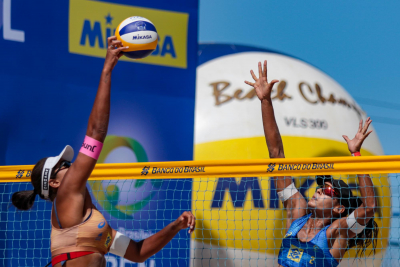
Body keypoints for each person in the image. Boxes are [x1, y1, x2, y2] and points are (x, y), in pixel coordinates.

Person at [11, 36, 196, 267]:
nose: (71, 165)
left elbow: (138, 253)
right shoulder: (67, 192)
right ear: (55, 183)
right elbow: (97, 131)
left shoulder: (94, 225)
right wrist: (107, 69)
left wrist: (175, 226)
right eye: (64, 166)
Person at [245, 61, 378, 266]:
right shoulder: (297, 212)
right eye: (320, 188)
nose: (319, 191)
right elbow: (276, 154)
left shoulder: (338, 232)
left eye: (328, 191)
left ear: (339, 208)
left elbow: (369, 207)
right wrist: (265, 101)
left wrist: (356, 154)